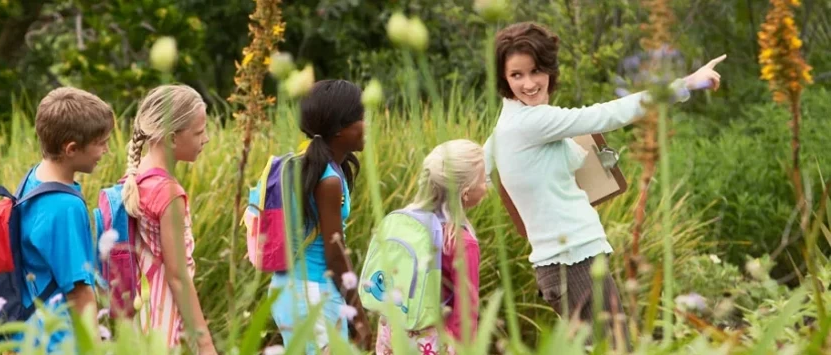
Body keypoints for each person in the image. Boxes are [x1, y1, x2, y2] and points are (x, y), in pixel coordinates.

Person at [483, 22, 724, 348]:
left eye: (536, 70)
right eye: (517, 75)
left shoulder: (512, 123)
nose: (529, 83)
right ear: (504, 79)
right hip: (572, 262)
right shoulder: (530, 122)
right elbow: (609, 114)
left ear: (550, 69)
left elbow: (478, 168)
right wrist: (687, 83)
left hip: (572, 260)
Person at [270, 79, 371, 353]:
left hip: (286, 288)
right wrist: (359, 317)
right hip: (312, 292)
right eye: (361, 117)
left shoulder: (301, 164)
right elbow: (335, 254)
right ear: (340, 129)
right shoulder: (327, 180)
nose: (367, 123)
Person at [12, 87, 113, 353]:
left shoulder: (33, 179)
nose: (106, 149)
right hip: (60, 341)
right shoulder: (65, 206)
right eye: (101, 143)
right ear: (71, 149)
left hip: (32, 333)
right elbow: (79, 292)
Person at [119, 84, 216, 353]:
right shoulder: (169, 193)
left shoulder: (134, 181)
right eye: (199, 132)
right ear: (172, 139)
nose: (205, 139)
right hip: (163, 318)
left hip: (138, 314)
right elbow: (178, 277)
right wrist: (205, 344)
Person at [374, 140, 487, 355]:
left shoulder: (402, 223)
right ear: (465, 192)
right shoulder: (461, 243)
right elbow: (465, 313)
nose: (486, 186)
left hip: (392, 332)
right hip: (432, 343)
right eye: (483, 179)